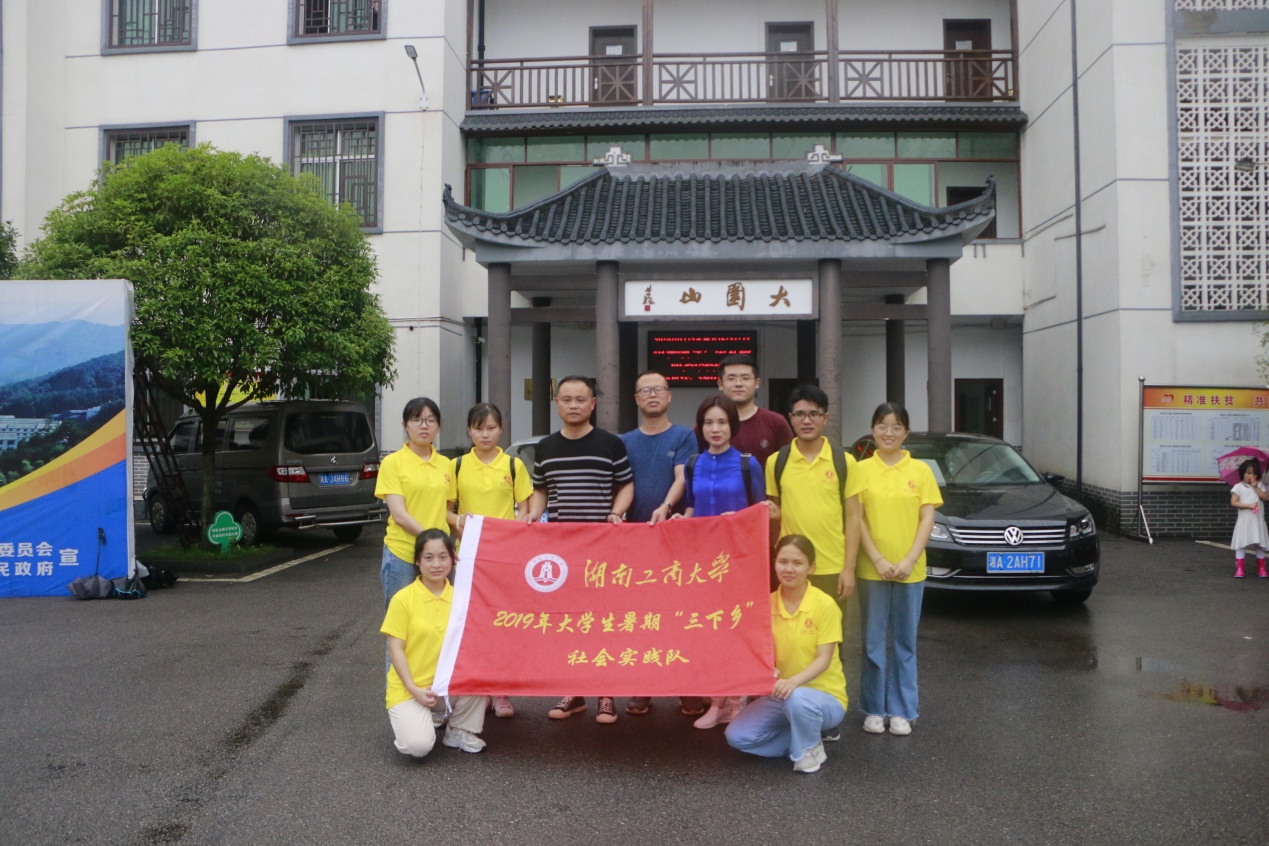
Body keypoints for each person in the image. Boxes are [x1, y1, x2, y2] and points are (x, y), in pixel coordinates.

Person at [529, 376, 634, 724]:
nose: (573, 405)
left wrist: (616, 513)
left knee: (602, 622)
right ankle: (573, 691)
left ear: (592, 404)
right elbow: (540, 491)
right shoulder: (545, 447)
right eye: (566, 399)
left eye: (580, 399)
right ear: (557, 403)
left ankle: (605, 694)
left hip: (604, 551)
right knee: (570, 623)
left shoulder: (611, 444)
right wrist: (530, 516)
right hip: (561, 553)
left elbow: (626, 485)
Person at [674, 395, 768, 729]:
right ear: (701, 428)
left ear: (733, 426)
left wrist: (739, 518)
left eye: (722, 422)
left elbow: (763, 512)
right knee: (711, 634)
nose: (715, 429)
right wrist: (681, 521)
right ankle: (716, 702)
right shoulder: (693, 463)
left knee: (738, 632)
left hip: (739, 563)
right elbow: (691, 506)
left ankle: (738, 704)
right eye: (709, 423)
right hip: (703, 565)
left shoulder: (748, 464)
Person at [724, 535, 848, 774]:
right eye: (783, 561)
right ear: (775, 563)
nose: (789, 569)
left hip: (824, 697)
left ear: (811, 567)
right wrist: (766, 669)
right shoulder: (765, 605)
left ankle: (810, 749)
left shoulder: (825, 605)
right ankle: (800, 742)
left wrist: (792, 682)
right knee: (737, 736)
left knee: (798, 698)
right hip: (781, 694)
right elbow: (757, 652)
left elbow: (824, 659)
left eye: (797, 563)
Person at [854, 402, 942, 737]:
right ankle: (875, 708)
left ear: (905, 431)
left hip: (911, 570)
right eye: (881, 425)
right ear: (872, 430)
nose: (888, 433)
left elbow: (927, 518)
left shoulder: (920, 471)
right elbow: (856, 518)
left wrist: (908, 560)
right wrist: (876, 558)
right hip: (870, 568)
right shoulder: (861, 470)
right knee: (873, 642)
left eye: (895, 426)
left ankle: (903, 710)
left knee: (905, 643)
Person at [619, 370, 701, 718]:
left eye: (659, 390)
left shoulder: (685, 436)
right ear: (636, 399)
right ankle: (642, 687)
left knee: (680, 619)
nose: (652, 396)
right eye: (645, 391)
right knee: (639, 620)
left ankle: (687, 688)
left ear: (669, 396)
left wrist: (666, 507)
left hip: (675, 543)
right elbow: (620, 484)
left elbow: (683, 477)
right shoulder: (623, 441)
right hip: (634, 546)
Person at [453, 402, 535, 717]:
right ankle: (478, 691)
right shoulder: (456, 465)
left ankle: (500, 692)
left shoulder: (514, 466)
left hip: (504, 560)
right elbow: (446, 510)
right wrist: (459, 521)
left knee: (503, 624)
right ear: (469, 430)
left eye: (490, 427)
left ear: (500, 429)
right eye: (478, 427)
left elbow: (526, 510)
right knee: (472, 625)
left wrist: (511, 535)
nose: (484, 434)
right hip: (469, 558)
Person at [381, 529, 488, 757]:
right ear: (418, 561)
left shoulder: (462, 599)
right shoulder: (403, 599)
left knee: (482, 667)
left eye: (443, 556)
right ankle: (427, 714)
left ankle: (459, 729)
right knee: (417, 747)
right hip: (411, 688)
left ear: (453, 559)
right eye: (428, 557)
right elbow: (396, 649)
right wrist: (413, 688)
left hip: (447, 685)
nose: (436, 564)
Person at [765, 384, 863, 622]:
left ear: (825, 418)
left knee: (832, 641)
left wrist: (848, 569)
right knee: (790, 636)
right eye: (799, 414)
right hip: (791, 566)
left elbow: (853, 517)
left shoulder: (845, 462)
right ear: (791, 418)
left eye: (814, 414)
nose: (806, 420)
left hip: (831, 566)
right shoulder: (776, 462)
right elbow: (778, 510)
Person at [375, 398, 456, 610]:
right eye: (417, 419)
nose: (424, 425)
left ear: (438, 426)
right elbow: (399, 515)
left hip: (439, 557)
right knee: (401, 622)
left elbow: (447, 512)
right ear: (405, 425)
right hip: (403, 553)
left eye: (431, 420)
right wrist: (431, 541)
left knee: (439, 619)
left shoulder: (446, 465)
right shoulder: (392, 463)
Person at [698, 353, 792, 467]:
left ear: (757, 383)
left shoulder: (776, 423)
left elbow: (789, 466)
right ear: (720, 384)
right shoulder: (708, 426)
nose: (738, 384)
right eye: (731, 378)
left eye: (745, 378)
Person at [1229, 458, 1269, 579]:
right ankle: (1240, 568)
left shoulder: (1261, 485)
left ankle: (1261, 568)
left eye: (1254, 473)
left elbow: (1266, 497)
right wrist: (1248, 505)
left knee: (1259, 544)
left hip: (1257, 522)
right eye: (1248, 473)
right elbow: (1234, 502)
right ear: (1243, 473)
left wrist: (1256, 488)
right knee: (1241, 544)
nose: (1251, 476)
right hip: (1244, 521)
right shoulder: (1238, 487)